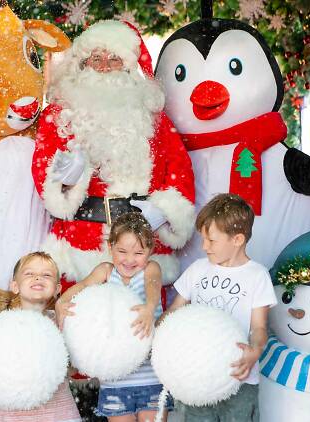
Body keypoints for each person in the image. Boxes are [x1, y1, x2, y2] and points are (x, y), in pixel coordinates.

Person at [31, 20, 195, 292]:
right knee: (82, 323)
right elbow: (44, 173)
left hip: (142, 248)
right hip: (80, 244)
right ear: (84, 64)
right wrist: (68, 176)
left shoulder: (156, 119)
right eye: (96, 58)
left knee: (141, 325)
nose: (105, 67)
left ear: (129, 66)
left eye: (114, 59)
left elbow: (180, 173)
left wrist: (164, 211)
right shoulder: (58, 117)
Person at [158, 194, 277, 421]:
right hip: (196, 376)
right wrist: (158, 329)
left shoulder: (257, 275)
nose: (204, 247)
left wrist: (255, 352)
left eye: (211, 241)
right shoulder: (197, 269)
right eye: (203, 239)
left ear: (237, 239)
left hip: (239, 378)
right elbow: (173, 313)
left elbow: (260, 328)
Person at [55, 212, 174, 422]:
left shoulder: (150, 269)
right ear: (110, 248)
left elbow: (153, 286)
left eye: (138, 252)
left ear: (150, 251)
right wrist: (61, 302)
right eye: (122, 251)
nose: (129, 259)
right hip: (115, 380)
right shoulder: (106, 272)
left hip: (151, 377)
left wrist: (149, 307)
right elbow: (81, 287)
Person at [0, 252, 81, 422]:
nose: (38, 278)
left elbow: (75, 365)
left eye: (46, 275)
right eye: (29, 274)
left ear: (57, 289)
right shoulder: (3, 324)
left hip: (60, 413)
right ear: (15, 286)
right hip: (15, 415)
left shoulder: (60, 320)